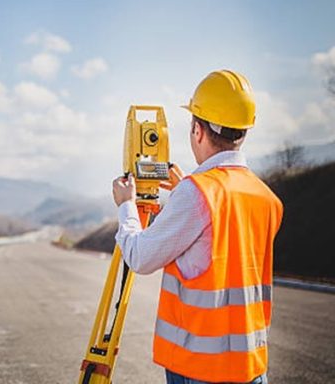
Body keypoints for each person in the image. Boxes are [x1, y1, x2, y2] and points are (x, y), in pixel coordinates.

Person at [112, 70, 283, 384]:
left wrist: (126, 205)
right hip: (251, 367)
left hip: (200, 370)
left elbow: (139, 256)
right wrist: (184, 193)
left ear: (197, 129)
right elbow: (222, 244)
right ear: (243, 132)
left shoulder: (197, 194)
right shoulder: (266, 198)